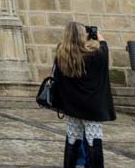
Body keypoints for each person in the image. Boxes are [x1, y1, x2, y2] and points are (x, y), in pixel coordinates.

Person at [50, 21, 115, 167]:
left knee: (73, 139)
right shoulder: (96, 55)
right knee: (94, 140)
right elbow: (104, 45)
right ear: (82, 36)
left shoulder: (61, 57)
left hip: (72, 106)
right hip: (91, 108)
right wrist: (97, 35)